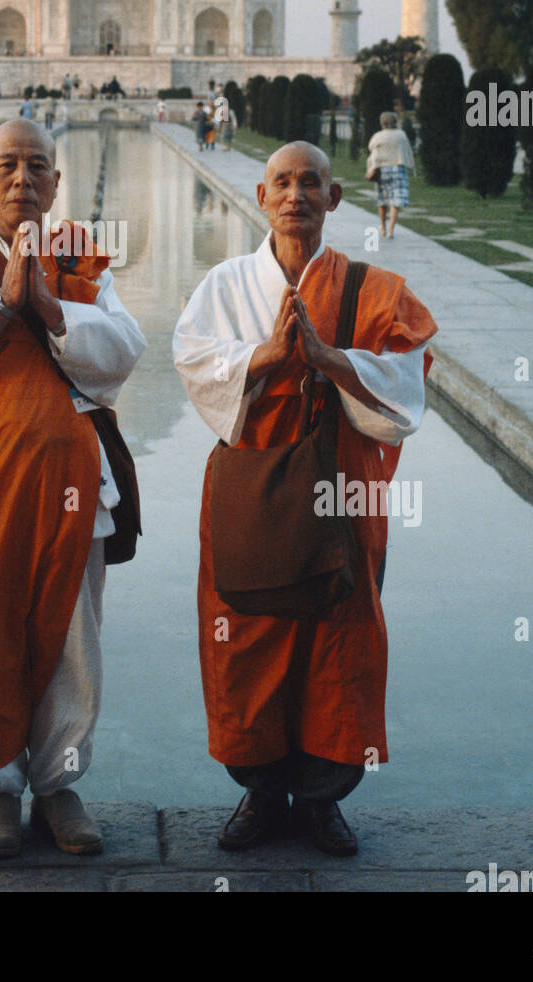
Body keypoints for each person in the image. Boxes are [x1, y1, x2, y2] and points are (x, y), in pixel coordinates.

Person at [172, 142, 436, 857]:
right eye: (283, 182)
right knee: (249, 633)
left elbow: (407, 392)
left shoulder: (372, 288)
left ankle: (322, 801)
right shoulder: (227, 284)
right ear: (261, 197)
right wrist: (263, 358)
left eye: (310, 182)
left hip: (341, 494)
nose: (296, 195)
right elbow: (193, 361)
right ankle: (261, 792)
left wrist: (331, 361)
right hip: (253, 494)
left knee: (338, 637)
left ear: (335, 197)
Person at [0, 120, 145, 859]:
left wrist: (50, 308)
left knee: (73, 642)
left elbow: (122, 356)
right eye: (6, 165)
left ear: (56, 183)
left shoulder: (85, 266)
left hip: (74, 488)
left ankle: (61, 784)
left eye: (37, 166)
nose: (22, 179)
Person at [367, 111, 416, 239]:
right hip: (398, 169)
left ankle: (382, 226)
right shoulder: (401, 135)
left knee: (382, 200)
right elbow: (407, 149)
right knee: (396, 201)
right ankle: (390, 230)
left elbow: (371, 147)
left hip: (382, 170)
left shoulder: (378, 136)